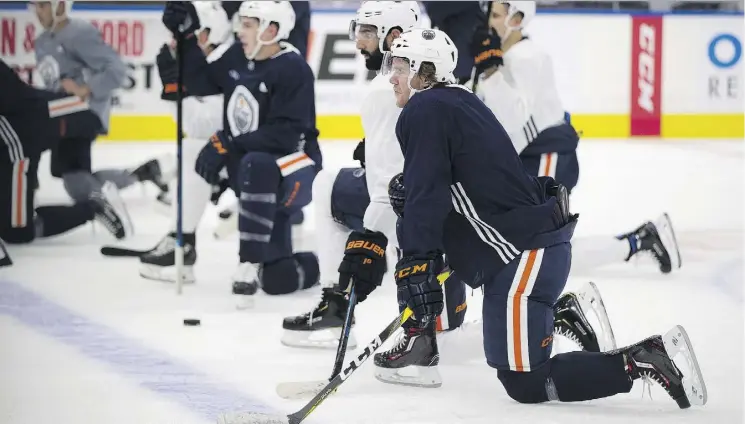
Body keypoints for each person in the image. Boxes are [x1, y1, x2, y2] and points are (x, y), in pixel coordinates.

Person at [347, 27, 705, 409]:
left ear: (424, 71)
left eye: (401, 66)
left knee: (525, 382)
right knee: (519, 374)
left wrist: (417, 259)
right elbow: (443, 190)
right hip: (531, 247)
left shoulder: (425, 108)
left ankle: (645, 358)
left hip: (525, 254)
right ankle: (567, 315)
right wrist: (418, 232)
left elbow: (427, 195)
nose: (392, 76)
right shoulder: (454, 100)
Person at [279, 1, 469, 350]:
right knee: (340, 184)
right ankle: (439, 310)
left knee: (332, 187)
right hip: (454, 214)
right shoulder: (431, 70)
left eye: (367, 32)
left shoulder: (386, 89)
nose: (358, 42)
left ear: (393, 36)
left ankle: (341, 309)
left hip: (416, 214)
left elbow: (387, 191)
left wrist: (368, 240)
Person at [473, 1, 681, 275]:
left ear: (517, 18)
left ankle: (639, 241)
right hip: (529, 158)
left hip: (548, 156)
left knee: (539, 255)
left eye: (497, 15)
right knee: (528, 253)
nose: (490, 22)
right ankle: (640, 240)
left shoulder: (528, 57)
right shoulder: (502, 57)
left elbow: (513, 117)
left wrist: (490, 72)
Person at [161, 0, 321, 296]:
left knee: (256, 163)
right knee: (278, 281)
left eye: (248, 25)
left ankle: (249, 261)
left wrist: (228, 143)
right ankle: (326, 264)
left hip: (294, 174)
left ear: (271, 30)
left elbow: (285, 136)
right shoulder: (237, 56)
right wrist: (185, 36)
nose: (239, 31)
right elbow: (202, 82)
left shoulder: (293, 68)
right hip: (252, 170)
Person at [31, 1, 166, 215]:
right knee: (71, 176)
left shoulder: (79, 33)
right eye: (35, 6)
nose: (38, 12)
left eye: (43, 5)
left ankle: (107, 211)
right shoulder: (42, 42)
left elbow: (117, 69)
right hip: (62, 114)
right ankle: (138, 175)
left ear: (60, 5)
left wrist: (85, 89)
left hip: (82, 115)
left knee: (73, 178)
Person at [138, 1, 235, 284]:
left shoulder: (229, 62)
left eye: (187, 35)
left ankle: (183, 240)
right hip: (239, 153)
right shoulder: (210, 60)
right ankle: (181, 240)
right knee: (193, 149)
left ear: (205, 34)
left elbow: (203, 124)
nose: (174, 43)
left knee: (196, 150)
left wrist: (175, 91)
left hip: (263, 159)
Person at [0, 58, 131, 264]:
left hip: (52, 120)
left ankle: (94, 206)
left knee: (18, 231)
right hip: (40, 121)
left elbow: (20, 114)